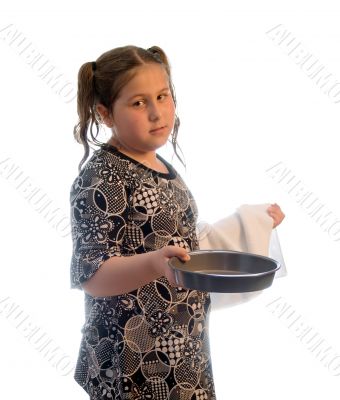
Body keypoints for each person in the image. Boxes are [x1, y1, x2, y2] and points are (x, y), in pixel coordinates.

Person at [69, 45, 285, 400]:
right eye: (138, 103)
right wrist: (155, 264)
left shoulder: (162, 167)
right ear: (106, 113)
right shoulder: (102, 176)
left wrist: (255, 221)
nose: (157, 113)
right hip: (133, 358)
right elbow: (92, 275)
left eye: (162, 96)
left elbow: (183, 239)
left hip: (181, 347)